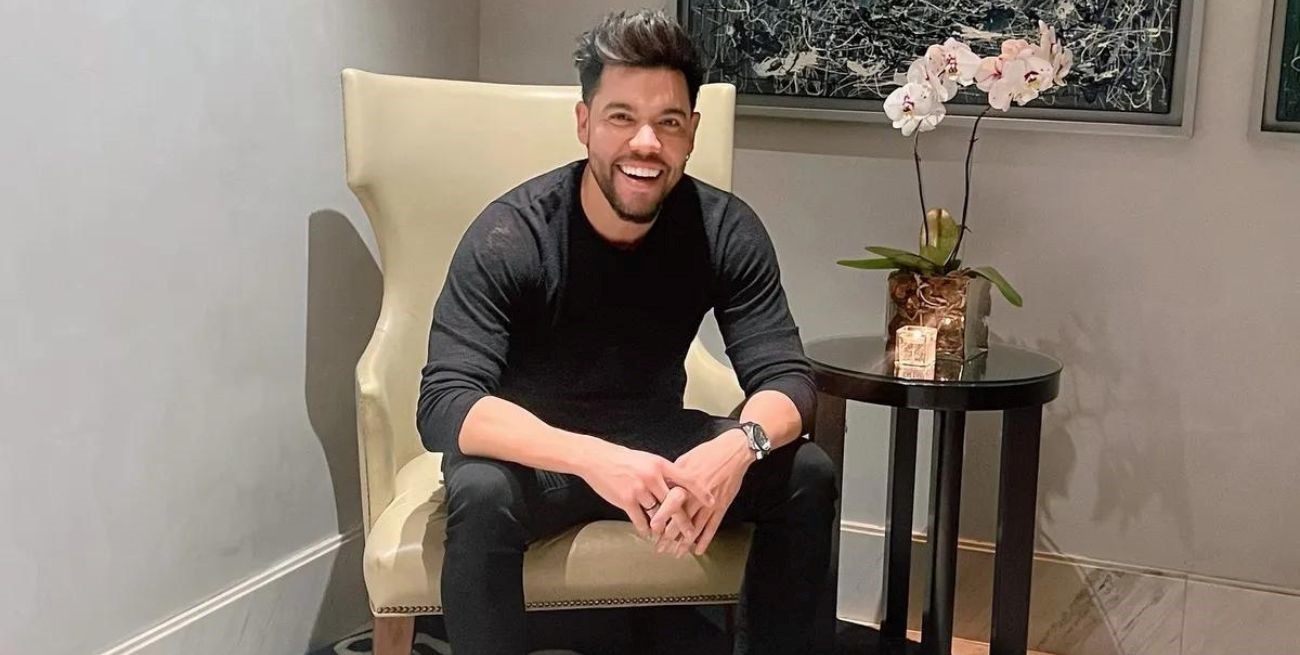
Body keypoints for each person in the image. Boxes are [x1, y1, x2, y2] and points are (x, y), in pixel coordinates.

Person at [416, 9, 837, 654]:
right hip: (543, 458)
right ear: (584, 122)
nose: (646, 143)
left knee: (806, 472)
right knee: (479, 489)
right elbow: (446, 403)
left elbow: (786, 377)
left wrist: (739, 447)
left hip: (658, 444)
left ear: (691, 134)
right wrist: (595, 458)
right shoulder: (512, 234)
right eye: (621, 117)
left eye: (668, 122)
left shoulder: (723, 229)